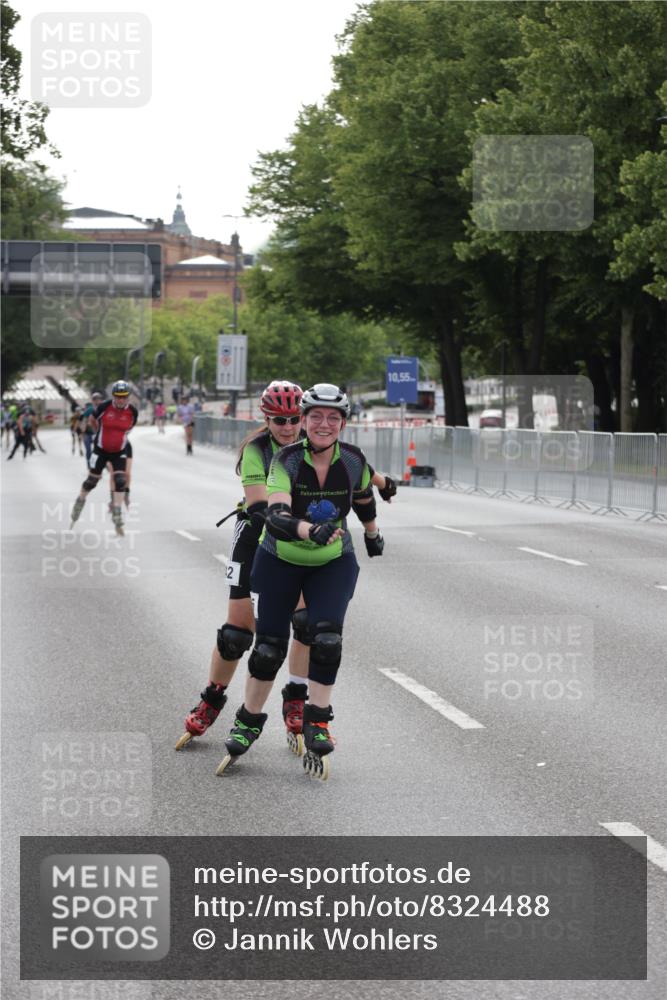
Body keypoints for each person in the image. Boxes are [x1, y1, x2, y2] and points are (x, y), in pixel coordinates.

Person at [217, 383, 384, 781]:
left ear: (343, 423)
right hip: (279, 559)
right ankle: (249, 719)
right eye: (315, 417)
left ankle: (317, 718)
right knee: (268, 650)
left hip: (333, 562)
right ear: (306, 421)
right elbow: (274, 514)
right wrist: (311, 531)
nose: (323, 424)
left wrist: (373, 533)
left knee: (326, 637)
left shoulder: (354, 460)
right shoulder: (287, 460)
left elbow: (362, 497)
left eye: (333, 417)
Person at [176, 380, 312, 751]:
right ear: (265, 419)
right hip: (255, 536)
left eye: (294, 418)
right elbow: (258, 506)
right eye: (279, 419)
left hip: (298, 541)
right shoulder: (257, 449)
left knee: (305, 622)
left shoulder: (315, 448)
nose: (287, 426)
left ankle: (296, 696)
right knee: (237, 633)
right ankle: (212, 697)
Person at [69, 380, 138, 536]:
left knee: (121, 480)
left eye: (124, 397)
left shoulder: (132, 411)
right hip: (100, 450)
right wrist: (98, 432)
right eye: (118, 397)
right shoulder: (104, 406)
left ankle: (117, 511)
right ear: (113, 396)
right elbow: (92, 420)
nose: (121, 400)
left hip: (119, 451)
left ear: (128, 397)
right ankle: (80, 500)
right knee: (91, 482)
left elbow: (130, 427)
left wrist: (119, 437)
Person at [81, 392, 103, 463]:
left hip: (98, 433)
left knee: (98, 450)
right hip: (88, 433)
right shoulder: (89, 410)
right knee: (88, 450)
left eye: (98, 399)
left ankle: (98, 463)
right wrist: (83, 432)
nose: (97, 401)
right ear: (92, 401)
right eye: (95, 400)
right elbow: (84, 421)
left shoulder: (103, 409)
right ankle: (89, 463)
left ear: (101, 400)